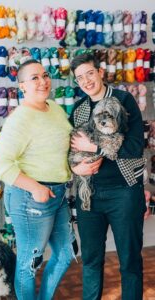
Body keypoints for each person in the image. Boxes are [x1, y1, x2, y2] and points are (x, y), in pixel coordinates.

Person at [0, 58, 75, 300]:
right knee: (29, 263)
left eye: (45, 75)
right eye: (34, 78)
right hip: (30, 197)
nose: (43, 81)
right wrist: (35, 187)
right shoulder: (21, 118)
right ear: (22, 86)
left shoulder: (54, 108)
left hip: (57, 193)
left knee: (66, 253)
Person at [69, 53, 146, 300]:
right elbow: (71, 151)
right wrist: (75, 169)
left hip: (124, 192)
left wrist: (95, 147)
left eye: (89, 73)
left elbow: (134, 147)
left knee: (129, 260)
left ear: (100, 72)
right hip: (89, 195)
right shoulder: (79, 110)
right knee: (91, 260)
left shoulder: (123, 101)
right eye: (80, 78)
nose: (86, 81)